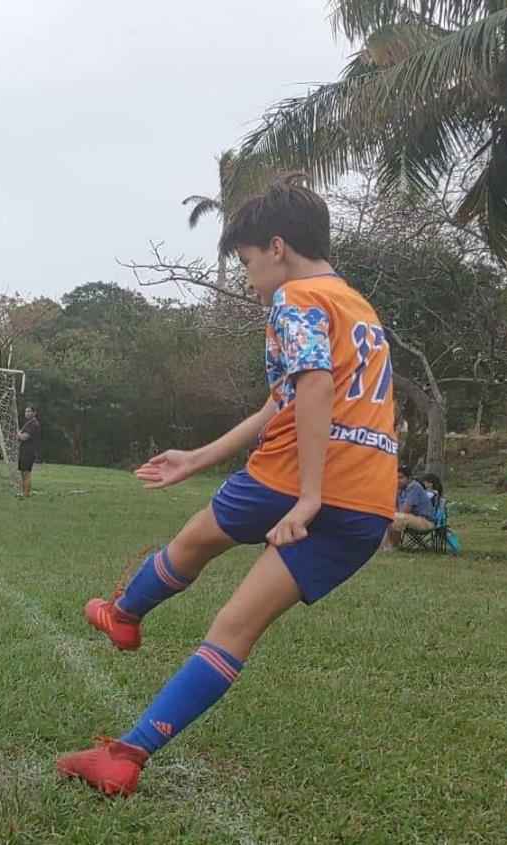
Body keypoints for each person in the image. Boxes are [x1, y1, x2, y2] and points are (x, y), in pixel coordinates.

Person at [56, 179, 397, 797]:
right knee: (233, 631)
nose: (245, 279)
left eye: (245, 264)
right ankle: (127, 756)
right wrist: (200, 457)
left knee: (192, 541)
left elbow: (313, 387)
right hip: (368, 505)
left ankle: (124, 614)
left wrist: (309, 495)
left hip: (294, 478)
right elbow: (285, 396)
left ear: (276, 247)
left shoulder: (296, 297)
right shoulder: (359, 306)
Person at [383, 466, 436, 549]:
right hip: (410, 518)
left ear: (409, 478)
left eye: (401, 478)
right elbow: (395, 507)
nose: (397, 480)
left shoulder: (414, 487)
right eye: (396, 477)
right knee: (389, 516)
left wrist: (393, 511)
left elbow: (405, 510)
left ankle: (393, 547)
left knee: (397, 517)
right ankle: (387, 545)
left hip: (425, 521)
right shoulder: (399, 488)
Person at [18, 405, 40, 497]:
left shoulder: (34, 424)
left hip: (29, 451)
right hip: (23, 451)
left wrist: (18, 433)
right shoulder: (27, 423)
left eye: (29, 411)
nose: (27, 413)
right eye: (26, 411)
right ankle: (24, 493)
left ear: (34, 413)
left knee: (26, 473)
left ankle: (26, 495)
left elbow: (24, 437)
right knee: (23, 473)